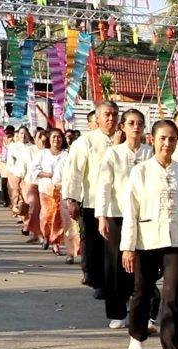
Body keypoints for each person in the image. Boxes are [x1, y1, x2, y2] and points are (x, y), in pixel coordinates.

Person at [121, 119, 178, 349]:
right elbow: (130, 211)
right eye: (162, 138)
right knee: (142, 291)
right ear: (152, 140)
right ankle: (137, 335)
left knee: (173, 296)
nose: (167, 143)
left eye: (172, 139)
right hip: (147, 239)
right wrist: (128, 246)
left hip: (177, 240)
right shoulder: (140, 172)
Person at [98, 109, 154, 330]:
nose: (135, 127)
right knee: (115, 266)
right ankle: (117, 312)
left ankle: (145, 312)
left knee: (144, 265)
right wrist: (102, 216)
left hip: (144, 216)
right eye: (131, 123)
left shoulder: (150, 153)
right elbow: (104, 186)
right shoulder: (113, 154)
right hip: (117, 215)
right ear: (122, 127)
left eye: (139, 123)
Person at [64, 101, 120, 299]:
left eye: (115, 114)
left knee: (115, 247)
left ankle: (114, 282)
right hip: (92, 202)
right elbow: (74, 172)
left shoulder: (125, 139)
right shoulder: (85, 142)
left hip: (118, 204)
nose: (111, 119)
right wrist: (71, 199)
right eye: (107, 114)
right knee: (94, 245)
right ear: (97, 117)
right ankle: (98, 281)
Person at [34, 129, 69, 257]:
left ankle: (56, 243)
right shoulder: (42, 153)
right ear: (49, 139)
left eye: (59, 137)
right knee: (46, 216)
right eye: (54, 137)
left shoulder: (66, 155)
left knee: (57, 217)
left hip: (61, 190)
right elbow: (33, 169)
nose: (56, 139)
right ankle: (45, 235)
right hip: (46, 189)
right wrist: (46, 174)